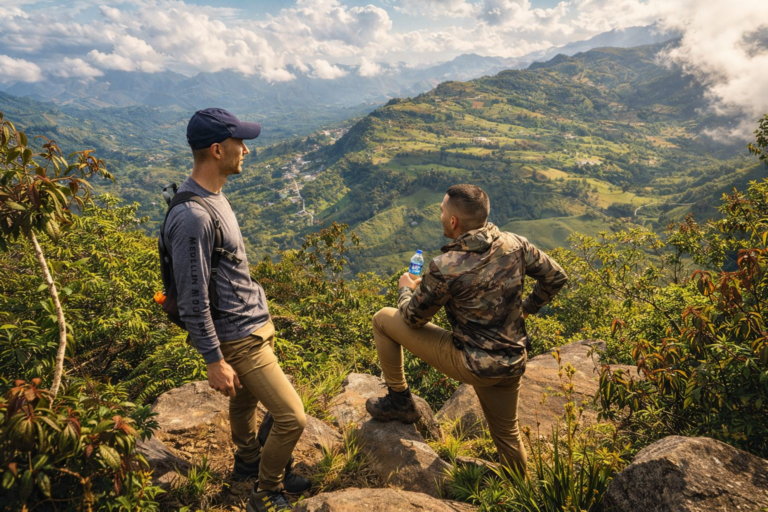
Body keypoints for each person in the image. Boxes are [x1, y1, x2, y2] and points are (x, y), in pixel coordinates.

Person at [366, 184, 568, 474]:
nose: (440, 215)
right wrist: (527, 307)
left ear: (453, 222)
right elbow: (556, 277)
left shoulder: (446, 266)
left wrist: (405, 289)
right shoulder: (515, 244)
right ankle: (521, 493)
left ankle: (399, 399)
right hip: (512, 360)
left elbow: (411, 319)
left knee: (383, 319)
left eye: (441, 211)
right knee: (508, 437)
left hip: (472, 363)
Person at [164, 108, 308, 512]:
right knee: (292, 418)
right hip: (238, 338)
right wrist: (214, 359)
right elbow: (193, 299)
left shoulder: (214, 196)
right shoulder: (194, 216)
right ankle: (266, 492)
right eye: (239, 143)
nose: (246, 150)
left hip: (250, 326)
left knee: (244, 402)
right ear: (216, 150)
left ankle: (248, 462)